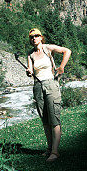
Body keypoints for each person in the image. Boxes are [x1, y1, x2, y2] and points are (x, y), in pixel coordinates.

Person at [25, 27, 71, 162]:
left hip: (51, 84)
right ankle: (49, 149)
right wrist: (28, 71)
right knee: (45, 120)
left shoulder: (48, 48)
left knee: (54, 118)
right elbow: (30, 70)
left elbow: (67, 51)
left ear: (41, 37)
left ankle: (55, 152)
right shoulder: (30, 54)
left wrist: (62, 67)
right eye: (32, 37)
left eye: (36, 36)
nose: (34, 39)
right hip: (38, 86)